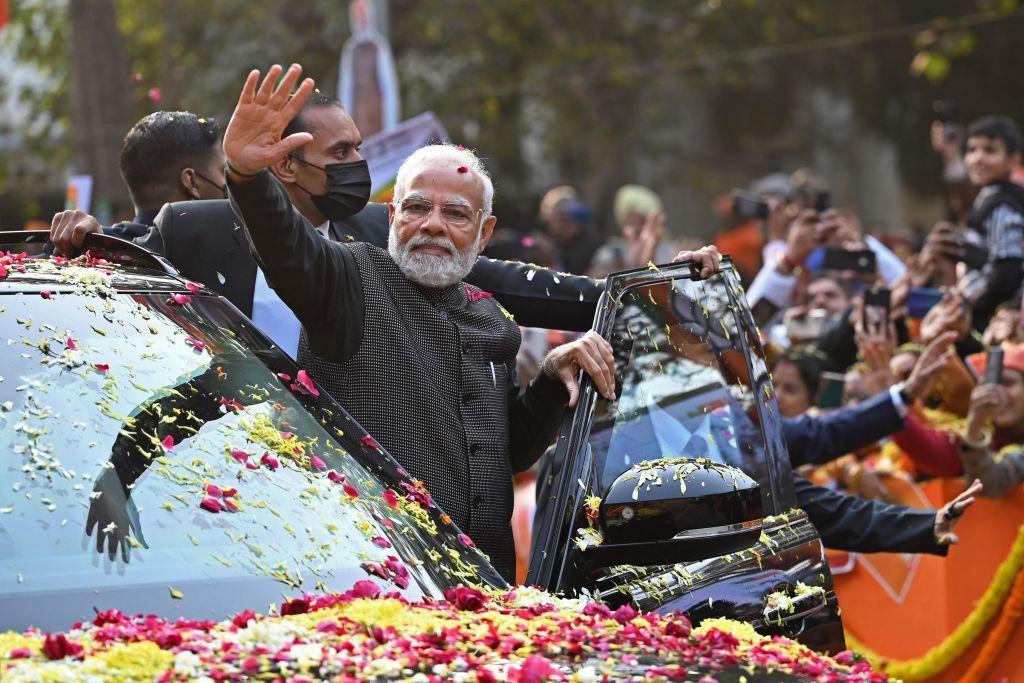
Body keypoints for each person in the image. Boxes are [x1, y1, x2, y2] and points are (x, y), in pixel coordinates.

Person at [220, 63, 620, 582]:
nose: (432, 224)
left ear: (484, 233)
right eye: (416, 208)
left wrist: (550, 377)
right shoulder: (347, 282)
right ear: (392, 218)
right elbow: (287, 246)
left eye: (455, 214)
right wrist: (246, 177)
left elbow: (508, 453)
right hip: (378, 590)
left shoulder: (492, 320)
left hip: (488, 594)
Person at [111, 111, 227, 238]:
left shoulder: (107, 252)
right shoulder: (223, 250)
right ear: (192, 182)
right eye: (224, 171)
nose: (229, 181)